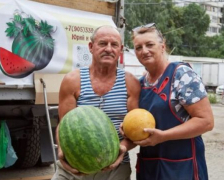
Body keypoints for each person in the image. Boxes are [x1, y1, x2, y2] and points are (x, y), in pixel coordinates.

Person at [51, 25, 140, 180]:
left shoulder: (130, 83)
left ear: (120, 50)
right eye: (103, 43)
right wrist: (61, 150)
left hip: (115, 168)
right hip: (76, 166)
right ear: (91, 47)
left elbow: (135, 131)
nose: (108, 49)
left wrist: (122, 148)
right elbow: (63, 124)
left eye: (114, 45)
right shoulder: (73, 80)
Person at [130, 23, 214, 180]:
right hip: (150, 167)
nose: (144, 51)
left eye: (150, 44)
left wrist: (163, 136)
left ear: (163, 46)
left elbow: (206, 121)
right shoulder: (140, 84)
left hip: (182, 167)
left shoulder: (182, 75)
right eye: (138, 47)